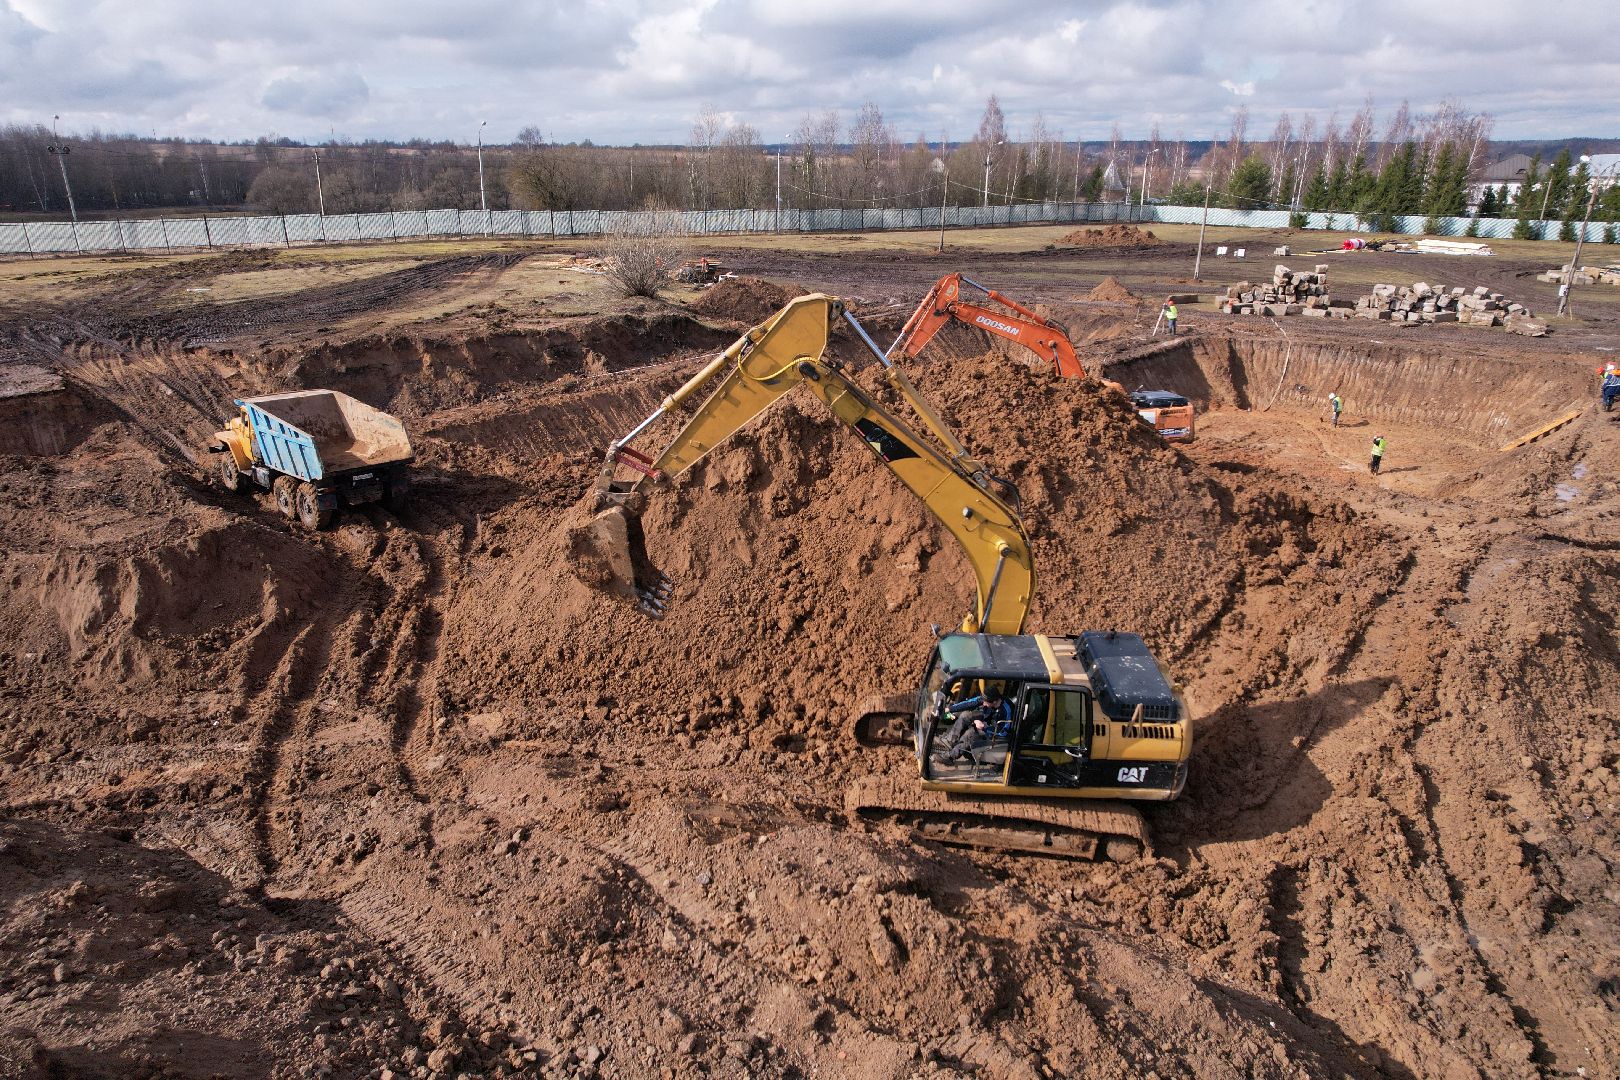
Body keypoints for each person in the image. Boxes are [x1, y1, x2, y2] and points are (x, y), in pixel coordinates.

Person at [934, 685, 1013, 764]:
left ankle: (950, 756)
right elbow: (969, 703)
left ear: (994, 701)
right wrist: (949, 709)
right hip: (988, 719)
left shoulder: (1007, 711)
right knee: (965, 715)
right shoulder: (989, 699)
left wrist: (984, 728)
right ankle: (949, 741)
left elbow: (1003, 733)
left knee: (970, 733)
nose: (984, 704)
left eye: (986, 702)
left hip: (995, 733)